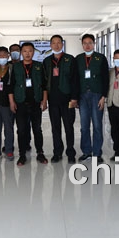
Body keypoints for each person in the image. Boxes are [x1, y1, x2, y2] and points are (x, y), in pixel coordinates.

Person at [8, 42, 48, 166]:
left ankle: (40, 153)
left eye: (30, 51)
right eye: (25, 51)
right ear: (21, 52)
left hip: (35, 102)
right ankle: (22, 154)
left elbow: (44, 85)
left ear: (34, 52)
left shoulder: (38, 66)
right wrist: (11, 102)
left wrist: (44, 100)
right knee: (21, 130)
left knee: (37, 129)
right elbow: (11, 86)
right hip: (20, 103)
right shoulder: (16, 67)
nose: (27, 53)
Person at [42, 35, 79, 164]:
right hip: (53, 99)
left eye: (59, 43)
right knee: (55, 127)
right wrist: (44, 99)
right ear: (50, 45)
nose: (56, 45)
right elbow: (44, 81)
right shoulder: (47, 61)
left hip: (68, 99)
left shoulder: (70, 59)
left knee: (69, 127)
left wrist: (74, 98)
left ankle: (70, 152)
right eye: (54, 43)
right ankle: (57, 152)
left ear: (62, 44)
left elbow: (75, 80)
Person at [75, 34, 109, 163]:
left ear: (94, 44)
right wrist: (75, 97)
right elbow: (74, 79)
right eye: (85, 43)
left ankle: (97, 153)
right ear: (82, 45)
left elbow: (106, 78)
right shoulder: (78, 59)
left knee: (97, 125)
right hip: (82, 95)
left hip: (97, 95)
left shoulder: (100, 58)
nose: (87, 45)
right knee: (84, 126)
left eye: (90, 42)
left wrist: (103, 96)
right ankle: (86, 152)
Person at [0, 46, 15, 161]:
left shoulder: (12, 68)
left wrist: (12, 101)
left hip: (7, 103)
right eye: (0, 55)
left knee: (8, 128)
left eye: (4, 55)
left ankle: (9, 150)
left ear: (8, 56)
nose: (2, 57)